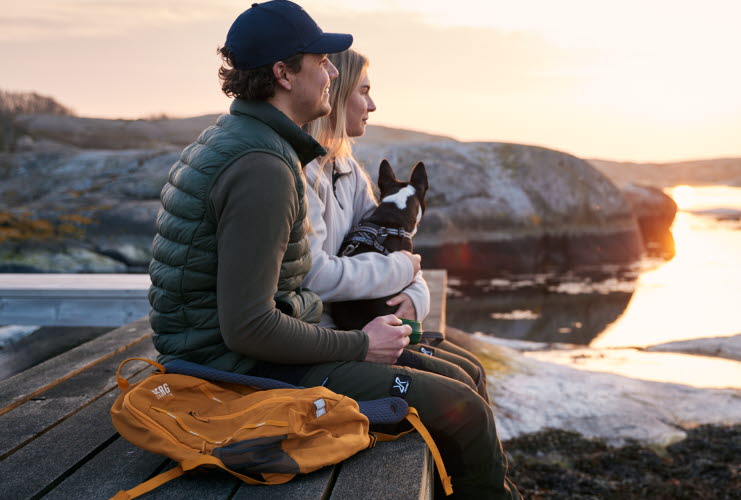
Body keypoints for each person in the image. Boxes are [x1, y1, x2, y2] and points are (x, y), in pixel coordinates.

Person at [146, 2, 519, 498]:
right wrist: (362, 345)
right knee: (463, 411)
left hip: (233, 353)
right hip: (235, 373)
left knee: (457, 383)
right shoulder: (262, 168)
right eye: (321, 61)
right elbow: (249, 328)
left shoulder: (245, 142)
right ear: (283, 74)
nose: (330, 73)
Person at [300, 49, 490, 402]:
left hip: (368, 324)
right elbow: (317, 277)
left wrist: (417, 296)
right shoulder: (303, 175)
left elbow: (389, 241)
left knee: (472, 370)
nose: (372, 106)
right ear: (337, 96)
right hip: (335, 336)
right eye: (364, 92)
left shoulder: (346, 169)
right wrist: (402, 268)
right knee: (461, 397)